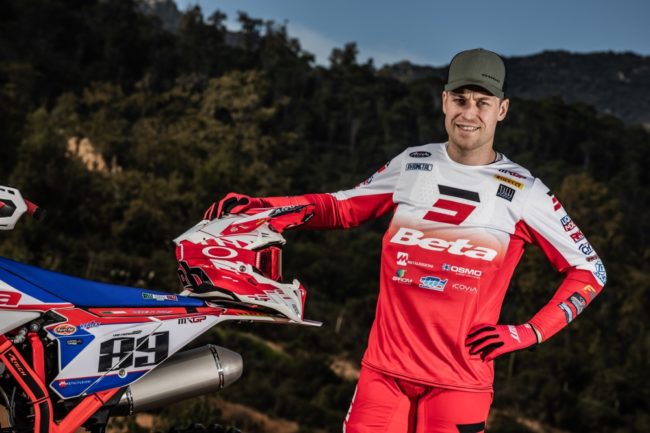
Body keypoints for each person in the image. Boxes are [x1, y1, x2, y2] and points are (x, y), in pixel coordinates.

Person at [205, 48, 607, 433]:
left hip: (459, 383)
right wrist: (264, 207)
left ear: (502, 110)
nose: (469, 113)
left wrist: (530, 332)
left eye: (482, 103)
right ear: (444, 101)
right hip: (384, 373)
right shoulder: (413, 163)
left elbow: (591, 271)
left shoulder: (526, 191)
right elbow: (343, 207)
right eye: (460, 99)